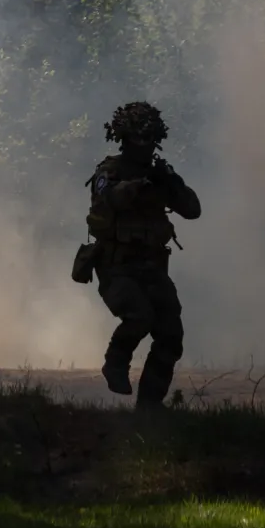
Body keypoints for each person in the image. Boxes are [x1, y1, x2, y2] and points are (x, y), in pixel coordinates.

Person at [79, 102, 201, 411]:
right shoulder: (110, 170)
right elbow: (110, 197)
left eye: (150, 138)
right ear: (125, 137)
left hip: (153, 267)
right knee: (139, 317)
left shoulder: (160, 172)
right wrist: (139, 186)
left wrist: (169, 182)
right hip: (117, 266)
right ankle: (115, 364)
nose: (144, 145)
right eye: (138, 137)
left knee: (171, 335)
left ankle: (149, 404)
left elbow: (192, 209)